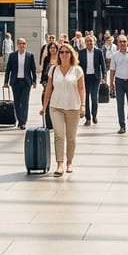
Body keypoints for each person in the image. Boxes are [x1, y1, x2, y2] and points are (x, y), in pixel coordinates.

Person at [41, 45, 84, 176]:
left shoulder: (77, 70)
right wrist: (44, 106)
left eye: (67, 52)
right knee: (59, 135)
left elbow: (82, 88)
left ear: (71, 54)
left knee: (71, 137)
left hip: (73, 107)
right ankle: (59, 164)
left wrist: (83, 106)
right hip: (56, 106)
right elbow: (48, 88)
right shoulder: (53, 69)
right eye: (62, 52)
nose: (64, 54)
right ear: (58, 54)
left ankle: (69, 162)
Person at [4, 38, 37, 130]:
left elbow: (33, 69)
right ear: (17, 45)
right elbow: (8, 69)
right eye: (20, 43)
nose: (22, 45)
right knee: (17, 102)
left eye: (24, 43)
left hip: (26, 82)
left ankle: (23, 121)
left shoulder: (30, 55)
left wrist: (34, 81)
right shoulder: (12, 55)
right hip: (15, 81)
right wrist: (6, 81)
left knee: (25, 102)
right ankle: (19, 119)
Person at [77, 34, 107, 127]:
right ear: (85, 42)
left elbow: (103, 65)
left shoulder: (99, 52)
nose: (89, 43)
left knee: (94, 97)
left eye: (91, 41)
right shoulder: (81, 52)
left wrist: (104, 76)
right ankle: (88, 118)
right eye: (87, 41)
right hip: (85, 78)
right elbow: (78, 65)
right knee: (85, 99)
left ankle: (94, 115)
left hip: (95, 77)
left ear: (94, 42)